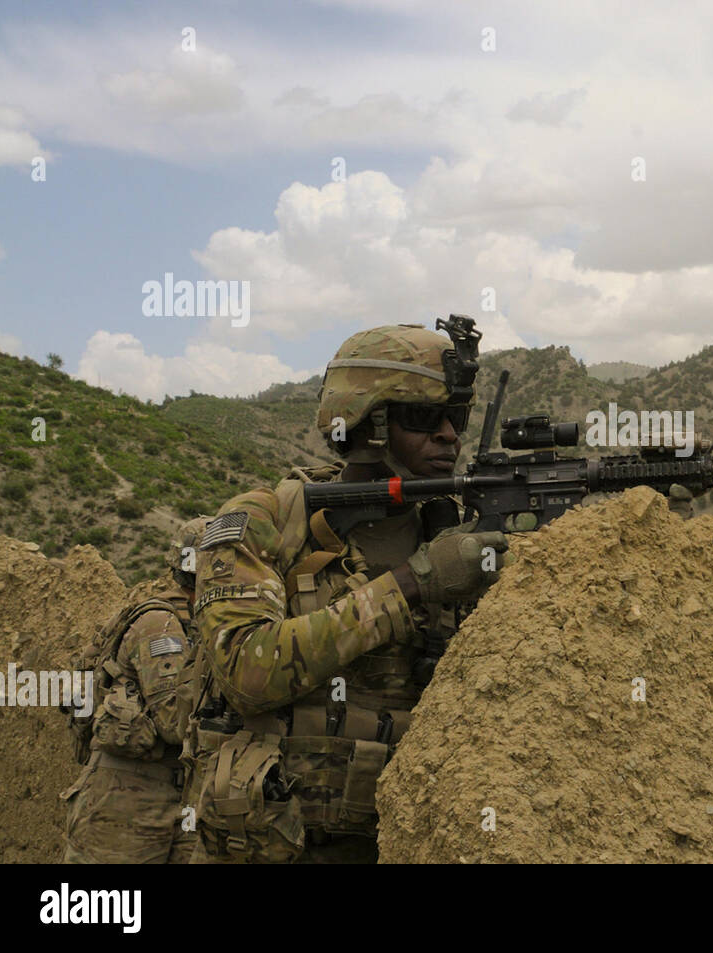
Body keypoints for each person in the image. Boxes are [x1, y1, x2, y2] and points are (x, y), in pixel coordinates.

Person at [185, 319, 506, 863]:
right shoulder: (266, 520)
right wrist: (412, 585)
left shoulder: (456, 530)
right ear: (368, 422)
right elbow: (245, 670)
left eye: (457, 417)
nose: (449, 435)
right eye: (426, 418)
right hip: (268, 842)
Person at [60, 516, 209, 864]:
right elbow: (174, 720)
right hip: (128, 798)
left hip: (173, 794)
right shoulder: (162, 625)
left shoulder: (195, 619)